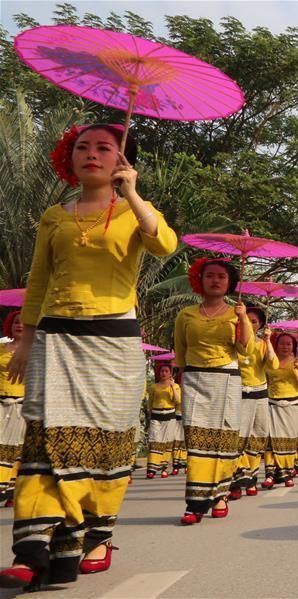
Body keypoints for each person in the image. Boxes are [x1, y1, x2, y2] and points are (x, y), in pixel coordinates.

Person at [0, 124, 177, 588]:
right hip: (56, 337)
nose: (91, 154)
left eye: (104, 148)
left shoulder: (136, 211)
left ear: (122, 160)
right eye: (82, 147)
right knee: (44, 436)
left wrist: (132, 193)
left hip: (114, 342)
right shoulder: (54, 216)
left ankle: (93, 539)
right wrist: (25, 339)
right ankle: (33, 547)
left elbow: (164, 243)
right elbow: (40, 278)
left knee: (104, 443)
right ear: (70, 157)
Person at [174, 258, 254, 524]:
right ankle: (195, 503)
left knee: (223, 440)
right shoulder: (185, 314)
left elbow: (246, 349)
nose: (215, 280)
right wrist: (181, 379)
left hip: (226, 379)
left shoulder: (236, 313)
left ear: (230, 283)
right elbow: (180, 351)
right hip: (194, 379)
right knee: (196, 441)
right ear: (200, 280)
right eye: (210, 275)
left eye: (221, 276)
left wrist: (243, 318)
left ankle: (220, 495)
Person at [230, 306, 276, 499]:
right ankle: (236, 480)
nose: (249, 323)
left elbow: (273, 365)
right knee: (238, 437)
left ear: (261, 325)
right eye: (246, 319)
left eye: (254, 321)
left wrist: (268, 341)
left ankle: (251, 479)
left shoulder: (262, 344)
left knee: (258, 436)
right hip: (238, 392)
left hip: (260, 394)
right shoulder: (231, 341)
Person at [262, 333, 298, 488]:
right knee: (271, 440)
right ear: (277, 345)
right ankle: (270, 475)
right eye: (282, 343)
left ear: (293, 346)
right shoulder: (270, 360)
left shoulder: (297, 362)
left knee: (288, 440)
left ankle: (287, 473)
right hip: (272, 403)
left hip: (292, 405)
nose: (285, 346)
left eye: (289, 344)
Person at [0, 312, 26, 508]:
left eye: (24, 323)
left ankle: (12, 491)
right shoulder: (1, 348)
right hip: (1, 402)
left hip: (21, 405)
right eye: (16, 322)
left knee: (15, 448)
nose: (19, 325)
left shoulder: (36, 351)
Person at [146, 363, 181, 478]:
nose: (164, 373)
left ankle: (164, 468)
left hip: (169, 416)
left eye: (166, 371)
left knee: (167, 442)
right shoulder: (154, 387)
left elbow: (177, 401)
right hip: (156, 416)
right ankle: (151, 469)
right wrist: (149, 415)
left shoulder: (175, 386)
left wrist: (172, 386)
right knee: (155, 441)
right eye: (162, 371)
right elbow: (150, 402)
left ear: (170, 373)